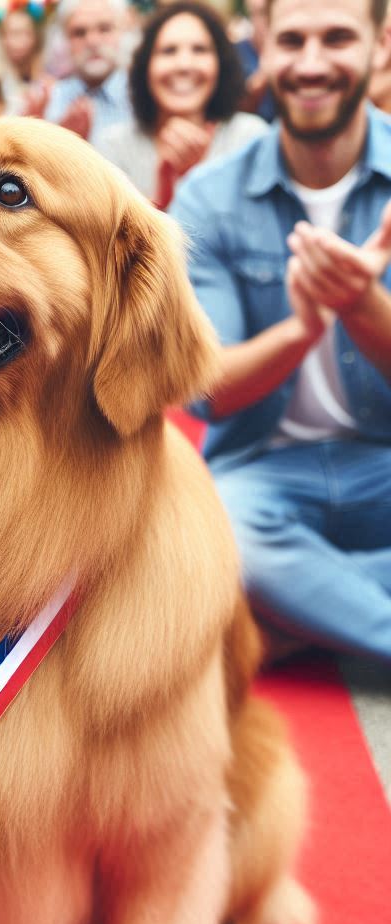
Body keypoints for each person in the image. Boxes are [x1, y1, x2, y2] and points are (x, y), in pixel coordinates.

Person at [169, 0, 391, 668]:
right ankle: (298, 604)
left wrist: (362, 306)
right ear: (261, 44)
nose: (312, 62)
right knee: (227, 538)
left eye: (337, 38)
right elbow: (208, 389)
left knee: (215, 579)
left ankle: (296, 612)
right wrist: (303, 328)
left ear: (381, 45)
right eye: (292, 39)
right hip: (261, 479)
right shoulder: (209, 198)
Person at [98, 1, 268, 209]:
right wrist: (165, 190)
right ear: (145, 67)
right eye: (168, 51)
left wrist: (198, 182)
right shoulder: (114, 148)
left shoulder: (250, 139)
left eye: (200, 50)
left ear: (221, 64)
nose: (184, 64)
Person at [42, 0, 132, 149]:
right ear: (65, 41)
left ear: (122, 33)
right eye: (79, 33)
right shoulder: (51, 101)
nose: (92, 41)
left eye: (104, 29)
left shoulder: (145, 95)